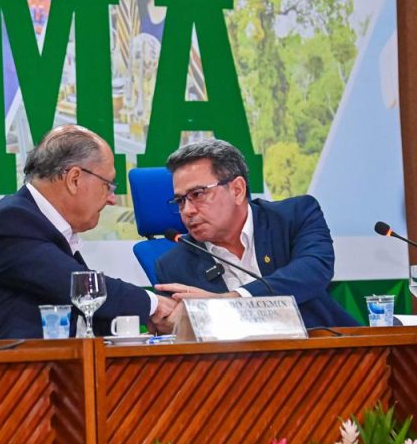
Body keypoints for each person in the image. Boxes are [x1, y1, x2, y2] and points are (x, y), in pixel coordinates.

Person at [0, 125, 176, 339]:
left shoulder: (42, 226)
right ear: (74, 179)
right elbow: (80, 288)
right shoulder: (9, 221)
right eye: (108, 185)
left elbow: (86, 311)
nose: (112, 199)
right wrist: (154, 305)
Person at [153, 139, 358, 328]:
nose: (187, 210)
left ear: (237, 190)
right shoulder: (174, 265)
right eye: (180, 201)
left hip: (328, 355)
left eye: (197, 194)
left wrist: (229, 301)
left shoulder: (295, 217)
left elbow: (312, 272)